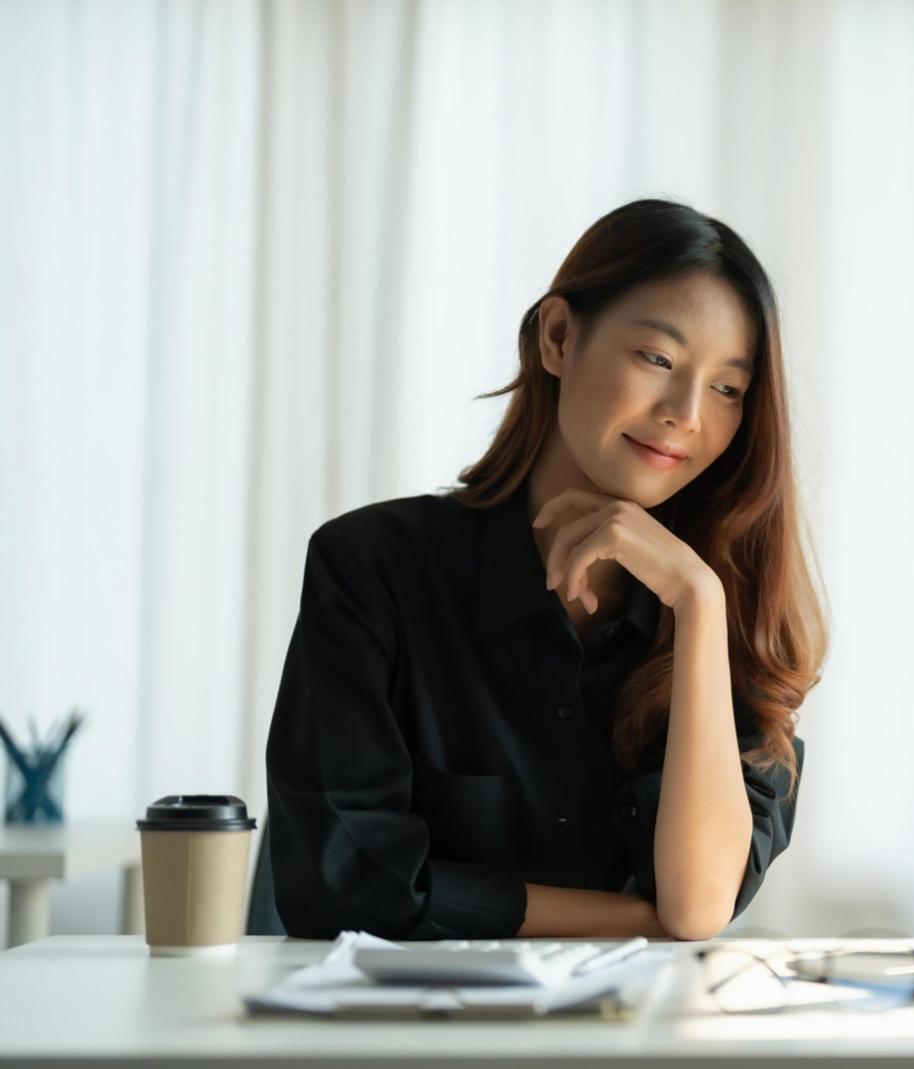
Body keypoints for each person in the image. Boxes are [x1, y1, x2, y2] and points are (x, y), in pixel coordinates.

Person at [264, 199, 825, 941]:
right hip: (400, 1013)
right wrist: (634, 920)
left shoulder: (731, 612)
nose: (687, 413)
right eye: (658, 359)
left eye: (727, 388)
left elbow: (697, 905)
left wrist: (697, 603)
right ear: (558, 337)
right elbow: (338, 880)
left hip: (631, 1017)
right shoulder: (372, 568)